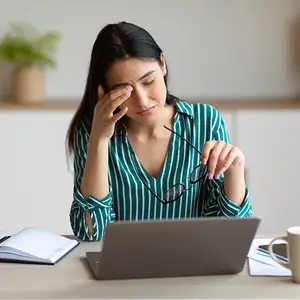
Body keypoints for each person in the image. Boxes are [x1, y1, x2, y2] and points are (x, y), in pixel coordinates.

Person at [66, 21, 252, 241]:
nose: (142, 100)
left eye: (149, 81)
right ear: (104, 91)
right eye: (123, 90)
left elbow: (232, 233)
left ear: (162, 64)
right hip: (122, 272)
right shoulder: (91, 131)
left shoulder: (205, 121)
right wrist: (99, 139)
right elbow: (91, 232)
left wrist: (235, 169)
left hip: (194, 269)